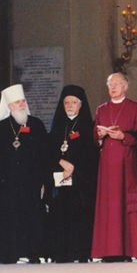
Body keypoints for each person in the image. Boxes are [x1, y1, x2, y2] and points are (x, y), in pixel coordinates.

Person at [0, 84, 46, 264]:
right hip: (8, 184)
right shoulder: (0, 128)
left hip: (31, 182)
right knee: (9, 218)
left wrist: (44, 181)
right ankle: (9, 254)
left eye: (22, 101)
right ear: (9, 106)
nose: (21, 105)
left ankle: (33, 252)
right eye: (16, 103)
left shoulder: (36, 124)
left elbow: (45, 155)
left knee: (32, 217)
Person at [92, 73, 137, 262]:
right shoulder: (101, 109)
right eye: (110, 85)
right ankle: (108, 251)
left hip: (127, 164)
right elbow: (94, 138)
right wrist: (99, 135)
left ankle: (127, 250)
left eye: (117, 84)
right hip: (107, 165)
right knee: (109, 207)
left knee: (125, 205)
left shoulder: (135, 108)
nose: (113, 88)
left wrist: (123, 136)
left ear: (125, 87)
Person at [45, 85, 97, 263]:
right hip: (60, 181)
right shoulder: (58, 125)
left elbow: (90, 154)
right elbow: (49, 150)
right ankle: (60, 253)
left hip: (80, 182)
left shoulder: (87, 127)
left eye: (74, 102)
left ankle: (81, 252)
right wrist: (62, 163)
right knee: (59, 215)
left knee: (80, 215)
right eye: (66, 102)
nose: (69, 106)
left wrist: (74, 167)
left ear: (81, 105)